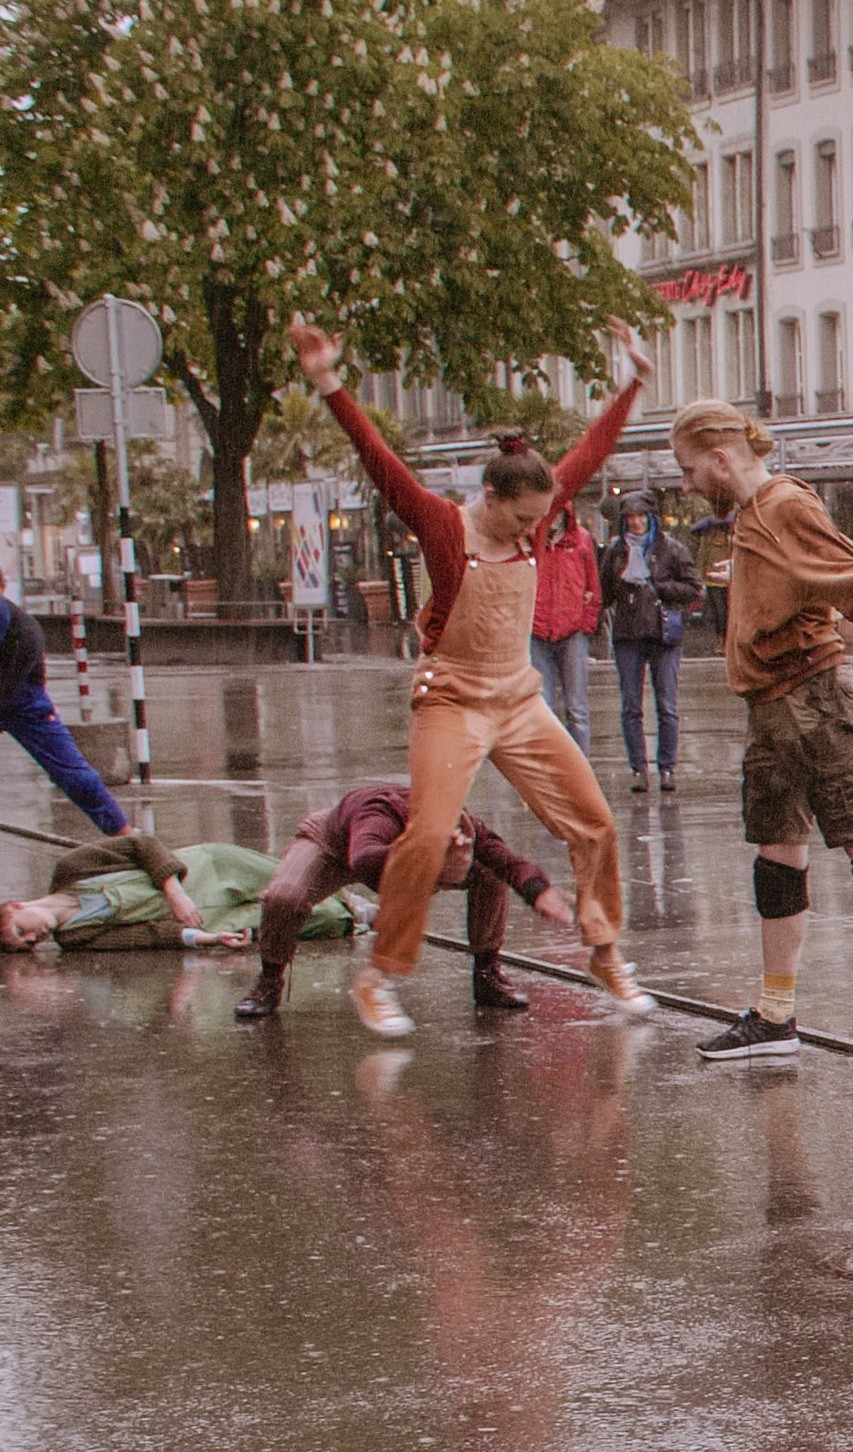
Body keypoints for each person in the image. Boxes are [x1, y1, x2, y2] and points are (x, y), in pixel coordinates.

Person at [293, 318, 655, 1040]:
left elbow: (592, 448)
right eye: (522, 518)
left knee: (595, 822)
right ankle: (380, 976)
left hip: (518, 696)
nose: (533, 532)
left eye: (541, 520)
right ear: (489, 497)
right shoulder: (439, 522)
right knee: (426, 835)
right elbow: (378, 461)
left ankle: (605, 952)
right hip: (452, 695)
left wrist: (634, 382)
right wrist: (329, 382)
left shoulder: (540, 512)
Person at [666, 397, 853, 1076]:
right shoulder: (752, 517)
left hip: (816, 701)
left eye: (690, 468)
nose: (687, 482)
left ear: (721, 458)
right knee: (777, 855)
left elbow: (843, 572)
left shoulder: (784, 503)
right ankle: (776, 1016)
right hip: (772, 708)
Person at [232, 782, 577, 1021]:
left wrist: (537, 891)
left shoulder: (464, 826)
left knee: (489, 873)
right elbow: (364, 859)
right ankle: (269, 979)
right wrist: (416, 869)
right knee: (283, 897)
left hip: (411, 856)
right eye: (452, 863)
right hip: (334, 844)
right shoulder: (378, 816)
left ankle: (487, 974)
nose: (460, 866)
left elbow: (506, 861)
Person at [0, 832, 305, 954]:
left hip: (208, 868)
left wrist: (174, 892)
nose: (32, 939)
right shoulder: (74, 938)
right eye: (25, 945)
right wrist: (207, 937)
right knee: (313, 917)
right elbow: (149, 935)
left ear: (16, 906)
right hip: (209, 917)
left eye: (20, 930)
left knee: (302, 880)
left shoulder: (72, 869)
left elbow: (141, 845)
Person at [1, 564, 134, 839]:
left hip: (21, 699)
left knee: (76, 778)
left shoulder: (21, 631)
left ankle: (130, 841)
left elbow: (74, 775)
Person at [597, 489, 699, 794]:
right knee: (631, 706)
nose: (636, 523)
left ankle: (667, 767)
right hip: (628, 635)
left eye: (641, 516)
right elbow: (604, 592)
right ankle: (638, 769)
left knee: (666, 704)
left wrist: (661, 588)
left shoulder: (672, 549)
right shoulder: (616, 551)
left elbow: (694, 587)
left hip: (663, 634)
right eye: (630, 518)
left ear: (651, 518)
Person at [531, 499, 601, 751]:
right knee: (542, 706)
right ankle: (548, 770)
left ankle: (579, 771)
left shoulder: (581, 539)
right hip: (537, 632)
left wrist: (585, 623)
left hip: (572, 632)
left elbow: (593, 586)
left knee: (577, 708)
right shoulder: (530, 541)